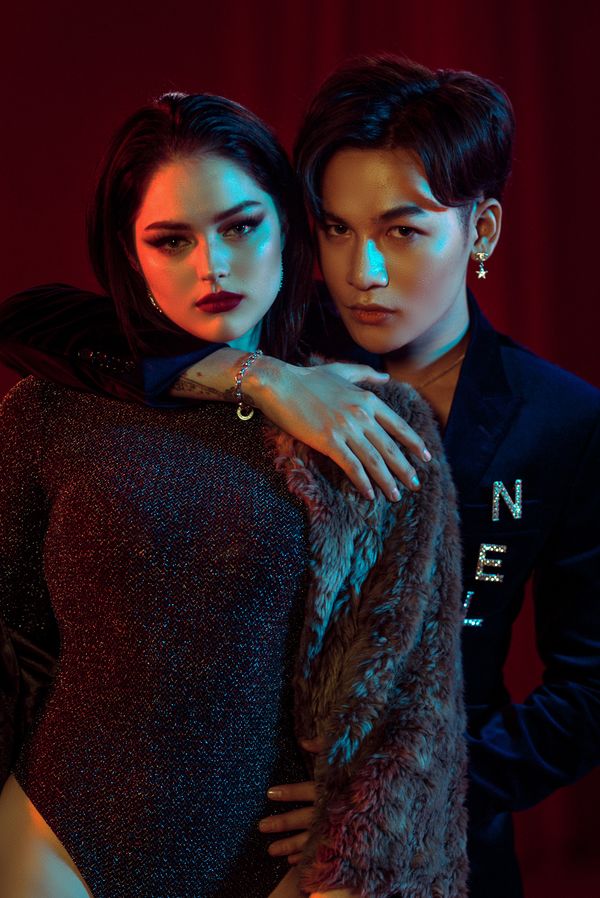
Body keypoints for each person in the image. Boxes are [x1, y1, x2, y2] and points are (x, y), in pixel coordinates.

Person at [3, 54, 599, 898]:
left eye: (402, 231)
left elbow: (589, 686)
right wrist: (260, 377)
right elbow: (42, 325)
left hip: (440, 826)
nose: (363, 274)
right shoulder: (275, 332)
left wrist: (391, 797)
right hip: (202, 818)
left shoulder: (560, 420)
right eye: (335, 230)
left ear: (483, 232)